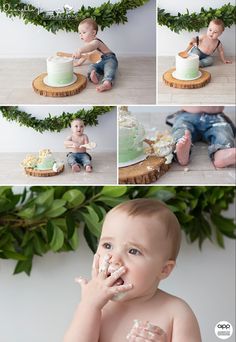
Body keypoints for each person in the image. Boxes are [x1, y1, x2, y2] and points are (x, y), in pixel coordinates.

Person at [64, 198, 202, 342]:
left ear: (164, 269)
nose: (114, 259)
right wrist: (88, 306)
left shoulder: (176, 313)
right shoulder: (97, 307)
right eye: (107, 246)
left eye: (133, 251)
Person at [170, 106, 236, 167]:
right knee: (181, 129)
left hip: (216, 116)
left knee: (222, 130)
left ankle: (222, 153)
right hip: (187, 115)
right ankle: (181, 152)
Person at [72, 18, 118, 92]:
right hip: (99, 62)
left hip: (109, 59)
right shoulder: (87, 45)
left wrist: (79, 50)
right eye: (79, 33)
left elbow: (90, 47)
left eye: (83, 32)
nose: (81, 35)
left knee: (109, 68)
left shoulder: (96, 42)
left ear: (93, 32)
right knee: (91, 67)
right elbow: (86, 55)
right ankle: (95, 77)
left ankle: (107, 82)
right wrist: (78, 62)